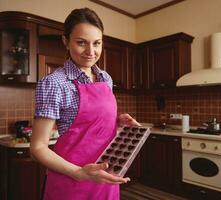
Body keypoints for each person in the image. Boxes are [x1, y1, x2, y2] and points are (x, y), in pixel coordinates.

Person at [30, 7, 141, 200]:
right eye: (81, 43)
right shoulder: (54, 83)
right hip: (71, 181)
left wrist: (117, 121)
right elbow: (38, 148)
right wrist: (79, 173)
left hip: (105, 177)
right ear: (66, 41)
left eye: (97, 43)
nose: (91, 52)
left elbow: (95, 123)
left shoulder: (105, 78)